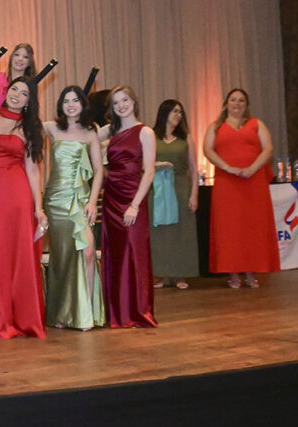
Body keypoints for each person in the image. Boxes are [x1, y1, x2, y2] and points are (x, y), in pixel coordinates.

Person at [0, 77, 47, 339]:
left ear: (30, 101)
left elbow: (33, 169)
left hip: (17, 194)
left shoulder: (29, 127)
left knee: (15, 254)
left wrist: (38, 208)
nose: (17, 94)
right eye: (14, 89)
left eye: (24, 93)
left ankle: (18, 318)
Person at [43, 86, 105, 330]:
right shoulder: (51, 128)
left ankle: (85, 312)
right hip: (55, 201)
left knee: (88, 251)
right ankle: (62, 313)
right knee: (62, 258)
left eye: (75, 100)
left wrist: (92, 201)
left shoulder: (91, 132)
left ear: (83, 104)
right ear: (60, 104)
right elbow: (22, 125)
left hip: (80, 200)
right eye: (66, 100)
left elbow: (98, 170)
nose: (70, 105)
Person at [202, 88, 278, 289]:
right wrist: (228, 168)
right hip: (227, 183)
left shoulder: (257, 124)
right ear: (226, 104)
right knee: (229, 229)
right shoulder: (215, 127)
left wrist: (252, 168)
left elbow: (268, 148)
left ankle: (251, 272)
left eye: (241, 100)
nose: (237, 103)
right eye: (233, 100)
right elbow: (207, 150)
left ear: (246, 105)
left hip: (253, 182)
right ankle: (233, 273)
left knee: (252, 228)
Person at [98, 85, 158, 328]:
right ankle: (117, 311)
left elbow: (149, 171)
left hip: (133, 198)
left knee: (134, 252)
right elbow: (86, 140)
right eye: (115, 103)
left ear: (133, 101)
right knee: (116, 254)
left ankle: (137, 311)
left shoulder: (145, 132)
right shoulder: (109, 131)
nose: (121, 106)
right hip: (111, 197)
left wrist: (135, 205)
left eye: (124, 100)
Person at [150, 99, 200, 290]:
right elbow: (144, 164)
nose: (178, 115)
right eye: (174, 111)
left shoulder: (185, 138)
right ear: (164, 113)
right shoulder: (152, 137)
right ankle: (163, 274)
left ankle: (180, 274)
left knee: (181, 231)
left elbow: (194, 169)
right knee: (161, 233)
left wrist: (194, 194)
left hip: (180, 187)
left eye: (180, 112)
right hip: (158, 189)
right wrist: (156, 166)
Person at [0, 43, 37, 109]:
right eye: (17, 55)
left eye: (25, 57)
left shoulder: (30, 86)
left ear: (29, 62)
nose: (20, 59)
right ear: (11, 57)